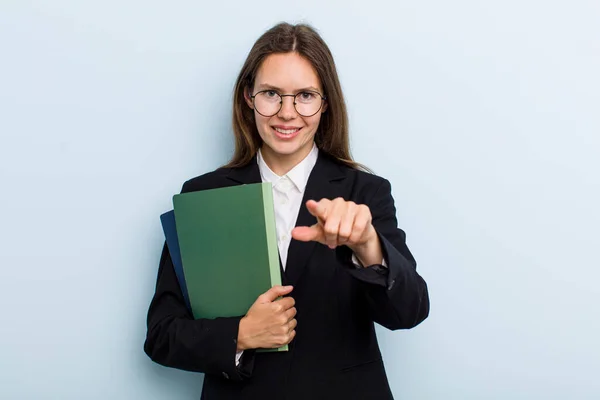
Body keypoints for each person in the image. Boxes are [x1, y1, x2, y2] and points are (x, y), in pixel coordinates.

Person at [144, 22, 429, 400]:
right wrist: (241, 334)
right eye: (271, 94)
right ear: (249, 97)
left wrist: (367, 245)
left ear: (326, 103)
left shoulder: (365, 193)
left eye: (305, 95)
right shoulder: (202, 195)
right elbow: (161, 335)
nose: (287, 113)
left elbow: (409, 312)